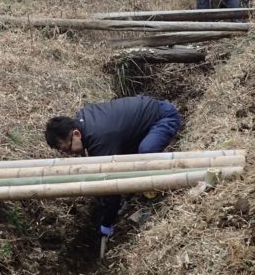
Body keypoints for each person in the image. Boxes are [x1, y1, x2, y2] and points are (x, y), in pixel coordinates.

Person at [45, 95, 182, 240]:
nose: (70, 153)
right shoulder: (83, 121)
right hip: (143, 118)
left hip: (164, 117)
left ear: (76, 134)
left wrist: (107, 222)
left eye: (68, 149)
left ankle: (155, 187)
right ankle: (134, 189)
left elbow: (111, 185)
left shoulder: (100, 138)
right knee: (126, 158)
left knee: (145, 154)